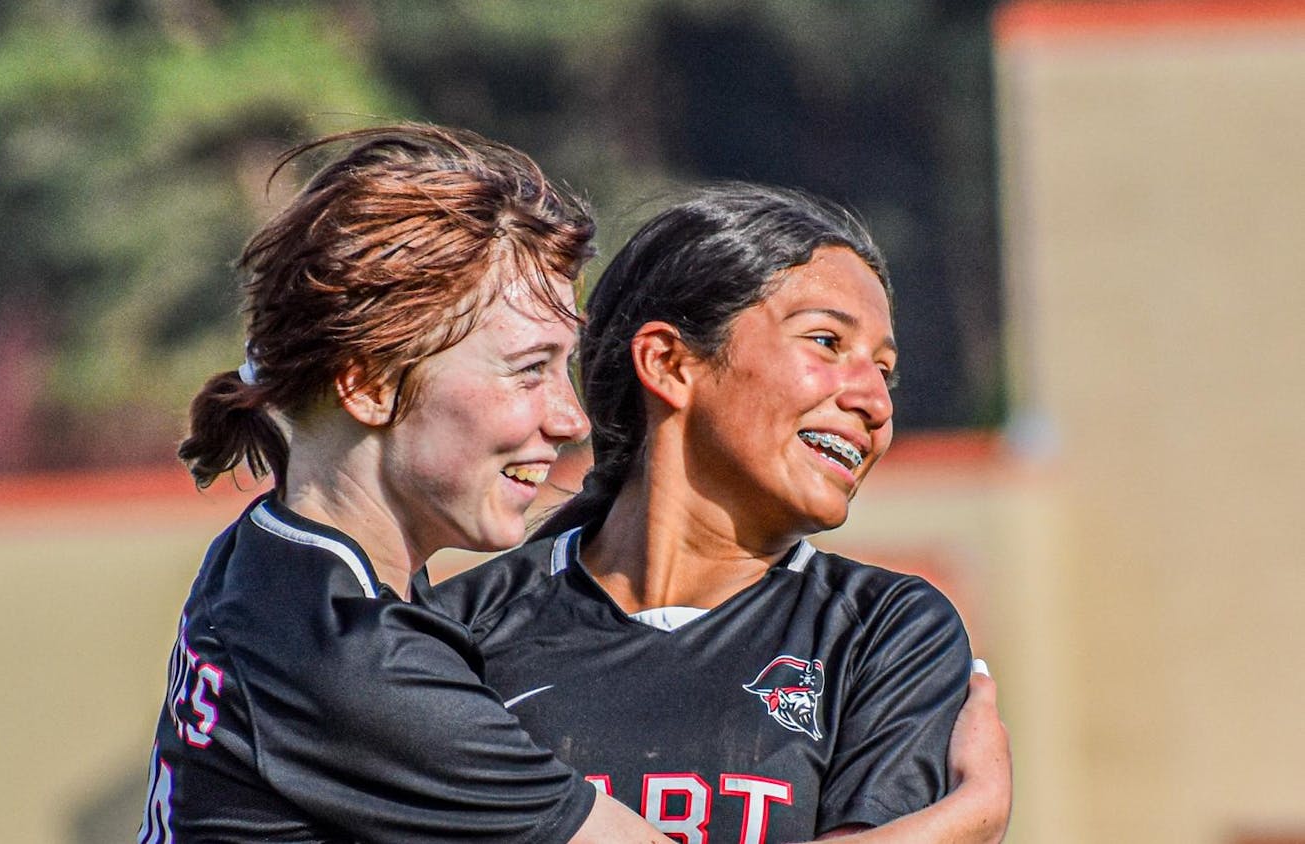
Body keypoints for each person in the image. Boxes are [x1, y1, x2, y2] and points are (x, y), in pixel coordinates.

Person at [139, 123, 673, 843]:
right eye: (529, 369)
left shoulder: (272, 561)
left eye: (565, 368)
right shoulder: (356, 663)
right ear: (368, 384)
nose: (571, 419)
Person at [430, 184, 1013, 842]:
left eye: (886, 371)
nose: (876, 402)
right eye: (826, 342)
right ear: (670, 362)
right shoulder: (451, 638)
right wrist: (956, 824)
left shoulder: (885, 633)